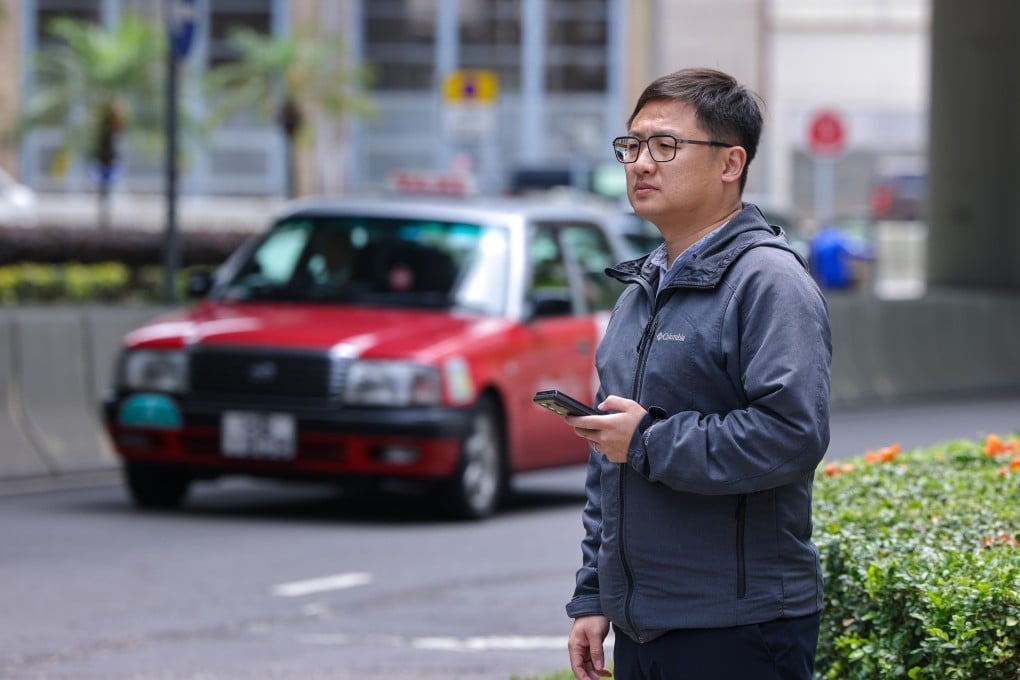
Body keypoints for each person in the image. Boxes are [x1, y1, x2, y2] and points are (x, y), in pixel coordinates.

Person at [560, 67, 832, 680]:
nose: (640, 164)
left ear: (730, 163)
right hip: (644, 624)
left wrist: (650, 441)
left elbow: (791, 434)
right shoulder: (640, 289)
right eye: (631, 146)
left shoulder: (769, 282)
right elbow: (611, 458)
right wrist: (596, 595)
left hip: (741, 627)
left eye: (665, 146)